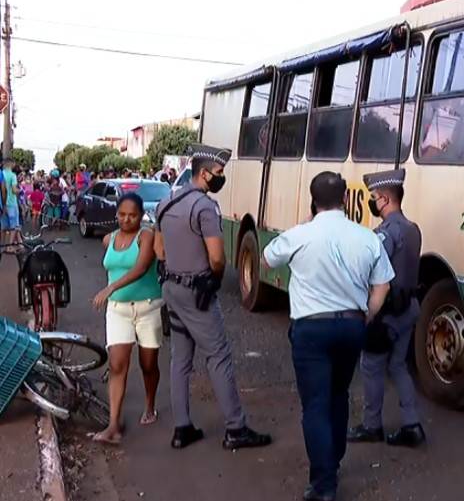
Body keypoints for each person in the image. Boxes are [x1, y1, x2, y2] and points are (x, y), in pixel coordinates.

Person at [263, 171, 394, 501]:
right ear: (345, 199)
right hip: (352, 327)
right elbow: (383, 285)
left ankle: (324, 485)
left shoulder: (300, 234)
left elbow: (266, 259)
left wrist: (304, 224)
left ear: (313, 200)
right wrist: (367, 315)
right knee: (339, 394)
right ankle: (332, 462)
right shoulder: (367, 237)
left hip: (311, 330)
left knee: (316, 405)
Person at [154, 144, 270, 451]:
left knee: (180, 359)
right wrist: (213, 277)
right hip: (197, 292)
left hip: (171, 289)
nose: (221, 177)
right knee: (218, 356)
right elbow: (217, 258)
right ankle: (235, 428)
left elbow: (159, 250)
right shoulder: (204, 207)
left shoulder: (166, 202)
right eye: (218, 172)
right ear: (204, 174)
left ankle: (182, 428)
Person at [348, 168, 425, 448]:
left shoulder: (386, 233)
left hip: (388, 313)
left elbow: (373, 272)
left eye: (374, 198)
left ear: (384, 199)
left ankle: (372, 426)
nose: (372, 202)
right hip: (410, 308)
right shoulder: (413, 229)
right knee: (398, 365)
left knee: (371, 365)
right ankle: (412, 425)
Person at [90, 193, 163, 445]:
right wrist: (112, 292)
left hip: (148, 308)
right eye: (122, 214)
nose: (126, 219)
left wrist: (110, 288)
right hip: (118, 310)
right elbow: (114, 264)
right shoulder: (109, 239)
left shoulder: (146, 236)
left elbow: (140, 268)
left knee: (148, 364)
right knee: (117, 365)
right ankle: (113, 426)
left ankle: (150, 405)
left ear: (141, 216)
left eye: (132, 215)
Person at [0, 157, 21, 252]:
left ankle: (2, 246)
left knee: (3, 227)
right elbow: (13, 190)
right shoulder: (13, 175)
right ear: (10, 164)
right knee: (13, 227)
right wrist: (19, 190)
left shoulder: (1, 174)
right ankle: (9, 246)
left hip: (2, 204)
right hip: (12, 203)